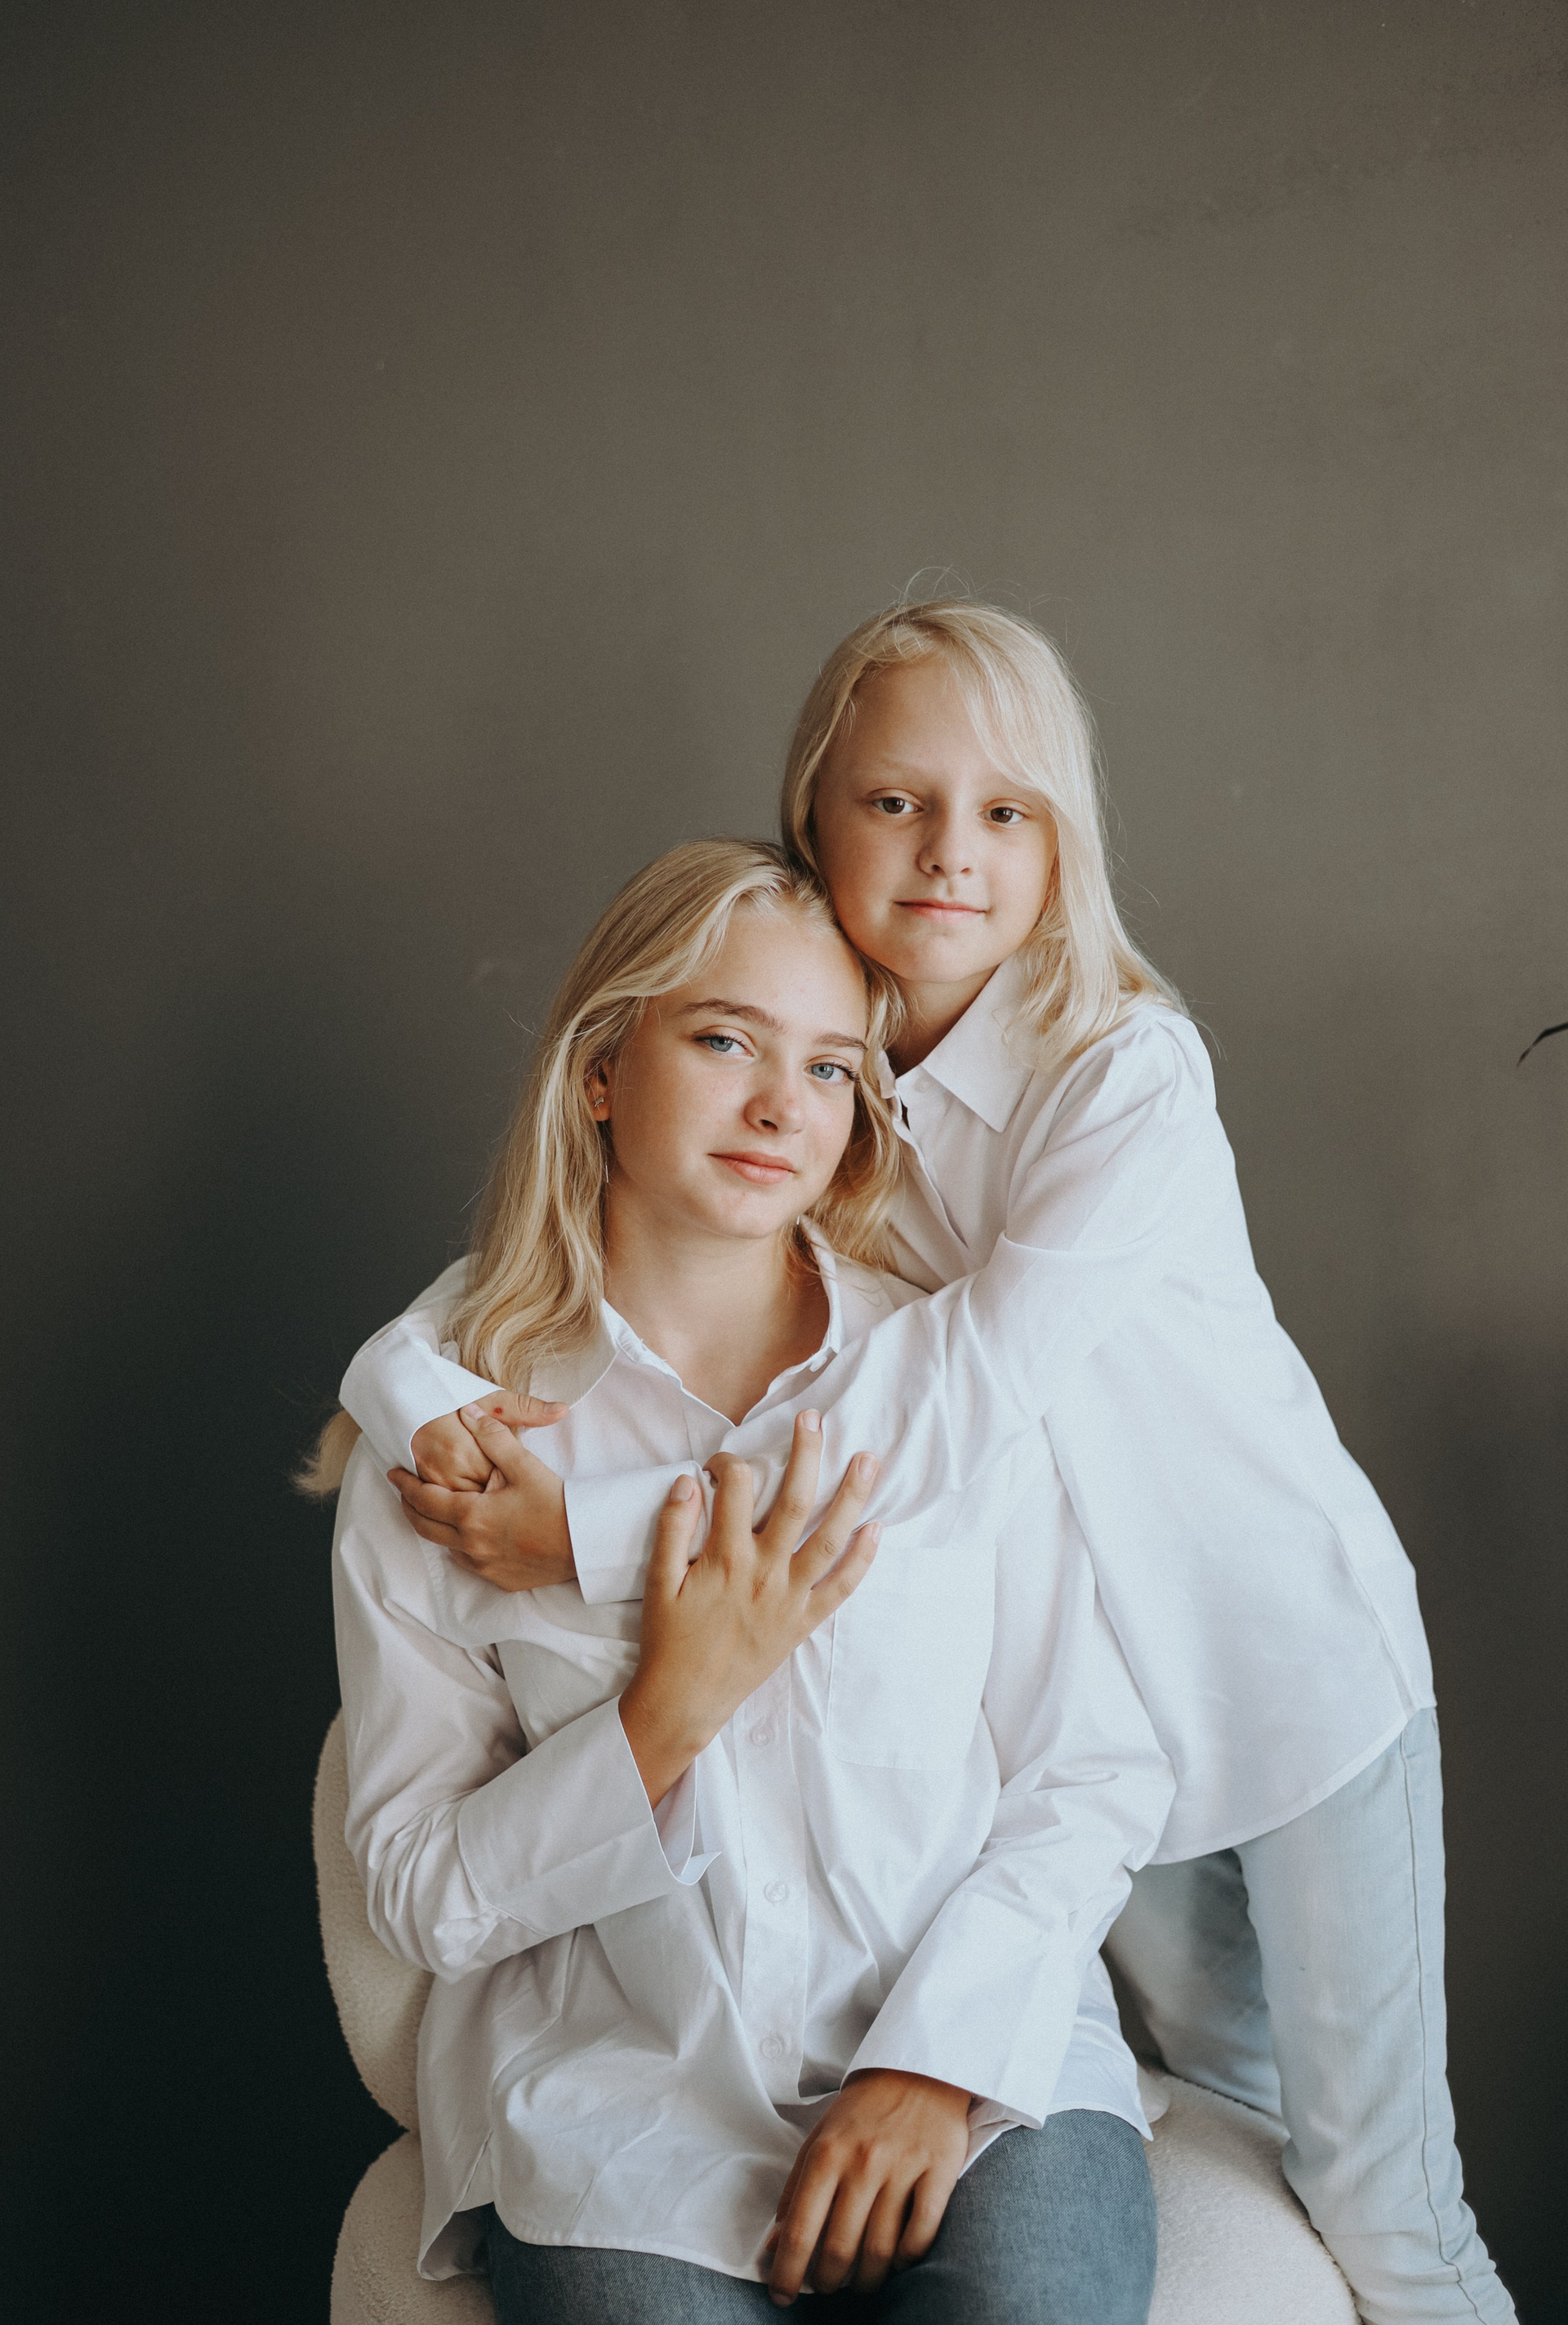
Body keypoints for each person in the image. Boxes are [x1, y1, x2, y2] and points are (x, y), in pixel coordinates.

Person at [341, 604, 1514, 2325]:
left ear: (1062, 843)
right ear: (814, 821)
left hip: (1276, 1676)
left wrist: (598, 1536)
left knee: (1379, 2203)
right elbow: (542, 1277)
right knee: (1233, 2109)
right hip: (1062, 1744)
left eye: (1007, 811)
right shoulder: (833, 1108)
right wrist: (388, 1381)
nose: (951, 850)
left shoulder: (1117, 1080)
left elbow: (969, 1393)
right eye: (895, 803)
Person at [321, 838, 1174, 2323]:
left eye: (833, 1068)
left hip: (979, 2074)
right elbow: (419, 1898)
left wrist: (931, 2067)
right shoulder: (457, 1451)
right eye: (725, 1042)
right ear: (601, 1070)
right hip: (624, 2117)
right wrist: (661, 1718)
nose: (784, 1106)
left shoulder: (948, 1382)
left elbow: (1091, 1771)